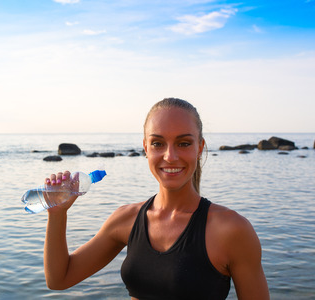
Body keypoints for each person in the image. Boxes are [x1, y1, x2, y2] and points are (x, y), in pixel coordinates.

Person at [44, 98, 270, 299]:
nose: (170, 156)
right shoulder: (126, 219)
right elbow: (59, 279)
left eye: (183, 143)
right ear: (145, 148)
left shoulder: (231, 230)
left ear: (200, 147)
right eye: (157, 143)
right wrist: (57, 213)